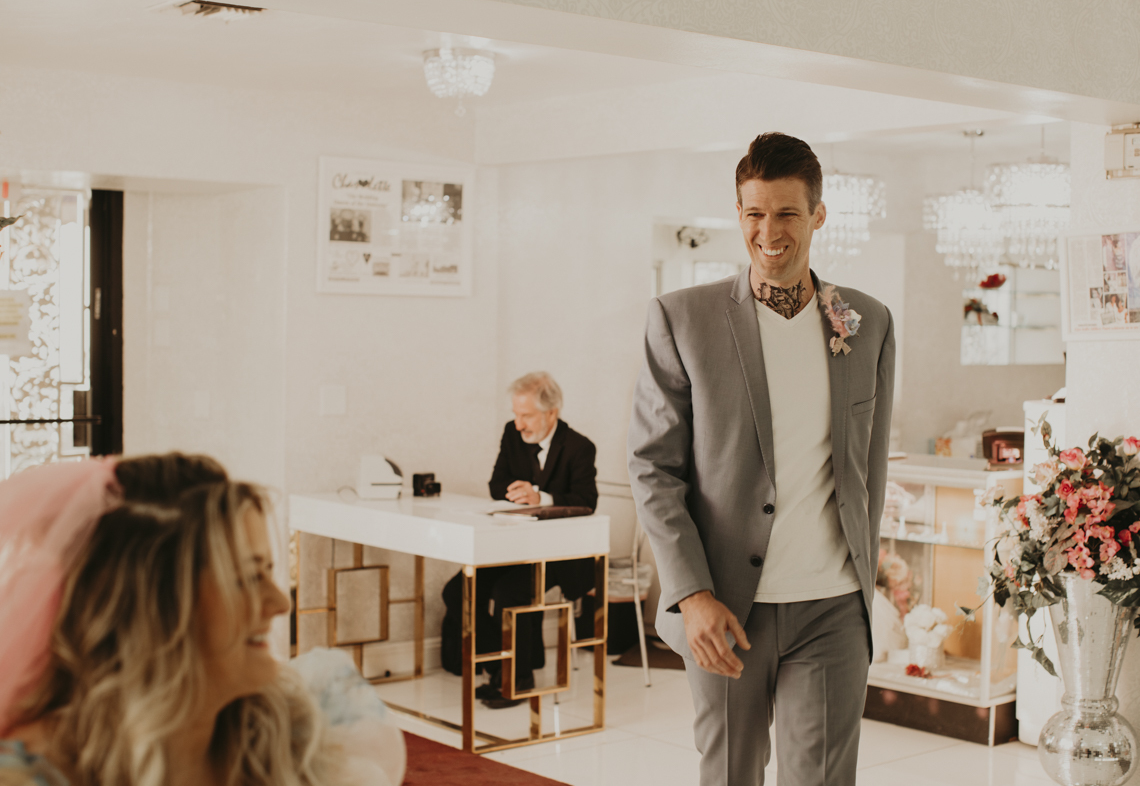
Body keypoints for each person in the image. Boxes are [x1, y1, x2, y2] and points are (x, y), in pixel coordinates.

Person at [628, 132, 896, 786]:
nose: (768, 232)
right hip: (724, 605)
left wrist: (869, 580)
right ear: (738, 213)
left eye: (787, 214)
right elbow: (653, 469)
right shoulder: (681, 319)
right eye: (754, 213)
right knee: (731, 775)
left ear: (818, 216)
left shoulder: (866, 321)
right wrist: (691, 594)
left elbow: (870, 465)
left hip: (834, 606)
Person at [0, 454, 403, 786]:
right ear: (152, 607)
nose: (280, 602)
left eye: (268, 571)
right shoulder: (32, 774)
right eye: (246, 578)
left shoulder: (291, 729)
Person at [440, 372, 598, 708]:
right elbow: (496, 485)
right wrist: (518, 493)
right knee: (457, 591)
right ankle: (502, 664)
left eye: (526, 415)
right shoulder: (512, 436)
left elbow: (587, 501)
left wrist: (540, 497)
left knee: (509, 592)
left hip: (561, 553)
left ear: (551, 412)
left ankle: (518, 679)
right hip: (515, 547)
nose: (518, 423)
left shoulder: (579, 447)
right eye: (515, 414)